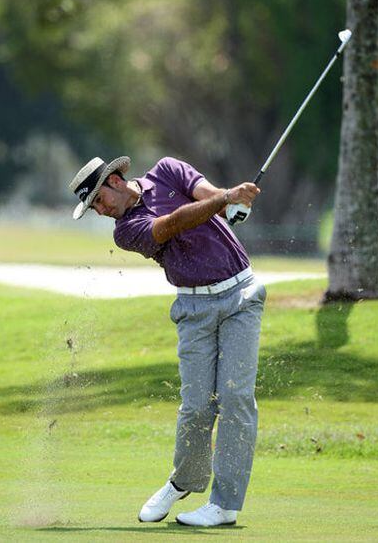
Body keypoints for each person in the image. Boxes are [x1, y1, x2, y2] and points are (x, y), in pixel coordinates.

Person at [69, 155, 266, 527]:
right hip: (193, 309)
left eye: (97, 199)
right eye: (92, 206)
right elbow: (174, 222)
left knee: (236, 398)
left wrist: (232, 201)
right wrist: (226, 199)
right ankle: (182, 482)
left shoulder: (167, 170)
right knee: (196, 407)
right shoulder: (125, 230)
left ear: (114, 180)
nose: (99, 210)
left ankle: (224, 505)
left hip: (242, 295)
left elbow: (206, 194)